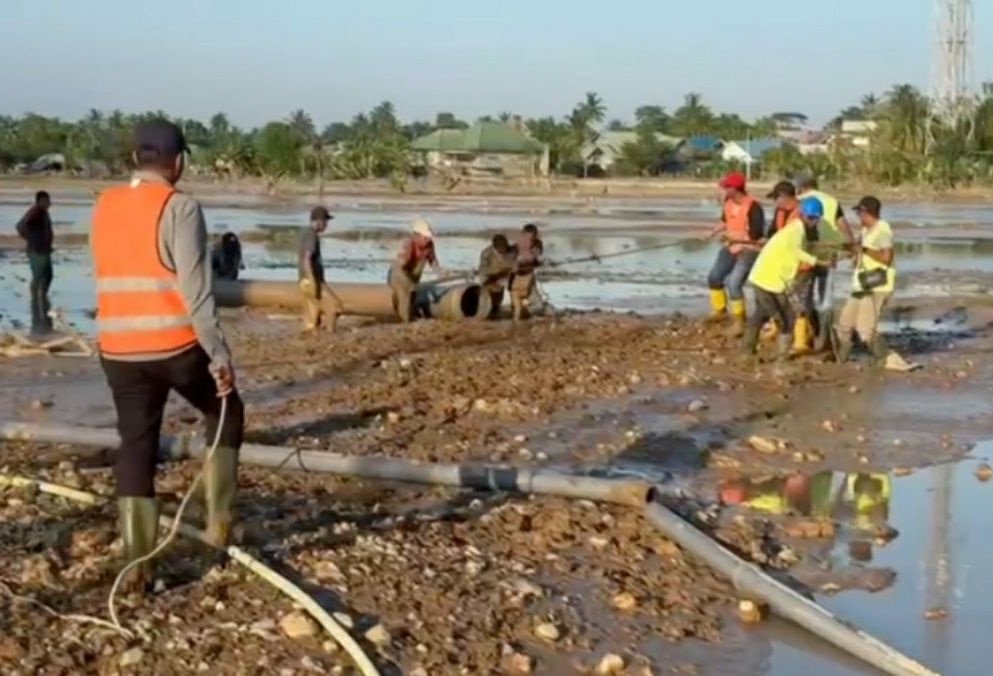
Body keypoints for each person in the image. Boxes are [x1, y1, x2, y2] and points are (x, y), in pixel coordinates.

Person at [90, 119, 244, 593]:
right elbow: (196, 292)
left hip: (117, 350)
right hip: (174, 348)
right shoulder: (180, 207)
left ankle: (137, 567)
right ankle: (217, 531)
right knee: (226, 409)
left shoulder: (104, 204)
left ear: (135, 158)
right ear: (178, 162)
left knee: (136, 445)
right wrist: (219, 355)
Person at [743, 197, 824, 360]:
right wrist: (818, 261)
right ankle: (779, 357)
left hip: (768, 279)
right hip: (768, 281)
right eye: (811, 218)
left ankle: (749, 351)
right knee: (785, 320)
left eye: (816, 218)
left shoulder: (796, 229)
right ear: (803, 215)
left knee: (762, 315)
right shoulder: (796, 231)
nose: (813, 221)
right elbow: (796, 251)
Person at [795, 174, 855, 351]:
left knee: (804, 297)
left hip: (805, 256)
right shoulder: (831, 201)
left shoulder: (800, 201)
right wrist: (851, 247)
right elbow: (843, 226)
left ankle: (806, 336)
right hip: (828, 255)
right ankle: (824, 338)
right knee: (825, 300)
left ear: (801, 187)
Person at [834, 196, 895, 365]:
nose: (858, 217)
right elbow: (860, 251)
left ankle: (883, 360)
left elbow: (886, 258)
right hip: (862, 284)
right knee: (845, 325)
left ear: (866, 212)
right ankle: (840, 360)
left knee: (866, 329)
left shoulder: (882, 230)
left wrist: (865, 250)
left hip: (877, 285)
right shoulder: (866, 230)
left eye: (859, 213)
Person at [705, 172, 766, 336]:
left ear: (736, 189)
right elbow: (725, 221)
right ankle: (720, 310)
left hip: (749, 249)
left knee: (734, 283)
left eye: (727, 187)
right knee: (714, 277)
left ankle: (739, 321)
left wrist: (734, 239)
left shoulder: (754, 207)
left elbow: (755, 235)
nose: (724, 190)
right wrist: (712, 233)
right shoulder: (728, 202)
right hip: (731, 246)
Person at [298, 206, 343, 333]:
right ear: (319, 221)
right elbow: (307, 258)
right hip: (311, 280)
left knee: (313, 314)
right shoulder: (311, 236)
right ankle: (330, 334)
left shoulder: (305, 233)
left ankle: (317, 334)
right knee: (335, 306)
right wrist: (312, 280)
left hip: (306, 280)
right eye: (325, 222)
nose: (326, 225)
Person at [16, 190, 54, 335]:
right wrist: (32, 239)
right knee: (40, 275)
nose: (49, 203)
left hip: (44, 249)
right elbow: (20, 226)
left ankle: (42, 298)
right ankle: (38, 299)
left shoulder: (43, 213)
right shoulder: (35, 212)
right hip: (36, 250)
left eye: (49, 200)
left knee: (48, 275)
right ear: (40, 201)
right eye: (46, 200)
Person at [388, 217, 440, 322]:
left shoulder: (429, 246)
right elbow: (399, 267)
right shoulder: (408, 244)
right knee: (405, 294)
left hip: (413, 275)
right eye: (425, 238)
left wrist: (439, 271)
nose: (427, 240)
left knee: (413, 295)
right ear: (417, 236)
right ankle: (405, 320)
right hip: (399, 274)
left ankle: (411, 312)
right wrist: (408, 283)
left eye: (428, 238)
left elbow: (432, 260)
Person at [509, 223, 544, 322]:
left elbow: (536, 258)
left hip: (528, 276)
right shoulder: (515, 246)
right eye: (526, 236)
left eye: (531, 237)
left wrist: (538, 261)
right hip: (516, 277)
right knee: (516, 303)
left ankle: (524, 312)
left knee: (536, 305)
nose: (528, 239)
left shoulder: (537, 244)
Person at [477, 234, 516, 317]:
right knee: (491, 301)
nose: (504, 250)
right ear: (495, 247)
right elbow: (483, 271)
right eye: (502, 249)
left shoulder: (511, 251)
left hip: (506, 277)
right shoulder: (486, 254)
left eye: (505, 247)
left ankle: (515, 307)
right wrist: (498, 271)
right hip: (491, 279)